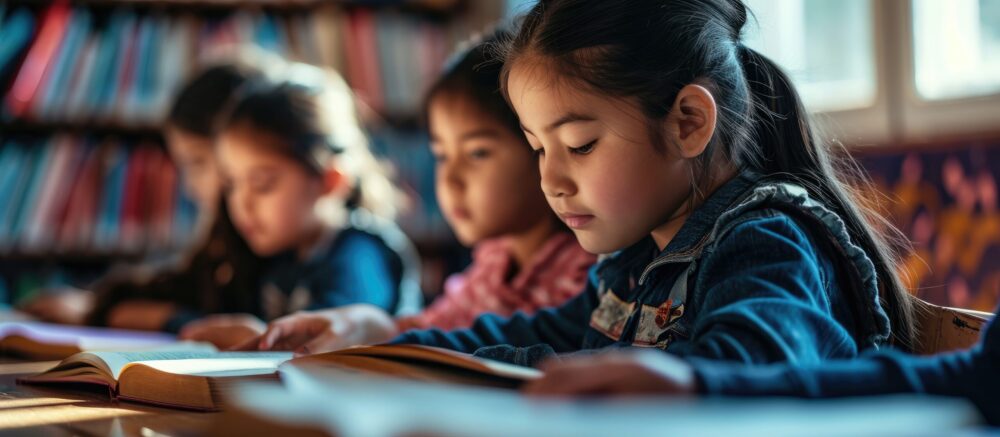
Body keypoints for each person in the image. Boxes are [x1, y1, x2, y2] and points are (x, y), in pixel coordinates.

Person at [389, 0, 916, 368]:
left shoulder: (765, 241)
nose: (550, 180)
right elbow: (545, 333)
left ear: (687, 121)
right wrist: (392, 342)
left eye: (579, 145)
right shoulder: (637, 259)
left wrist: (557, 372)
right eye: (537, 149)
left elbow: (751, 372)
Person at [245, 30, 597, 355]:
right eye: (442, 156)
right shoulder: (493, 262)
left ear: (538, 148)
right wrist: (367, 325)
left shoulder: (587, 271)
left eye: (477, 153)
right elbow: (434, 329)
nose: (450, 179)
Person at [178, 63, 421, 349]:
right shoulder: (285, 254)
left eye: (262, 184)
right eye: (232, 184)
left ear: (330, 181)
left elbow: (337, 343)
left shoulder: (359, 252)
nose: (241, 203)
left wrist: (259, 337)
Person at [522, 307, 999, 426]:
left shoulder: (768, 234)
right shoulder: (627, 260)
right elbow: (966, 378)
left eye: (582, 144)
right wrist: (700, 384)